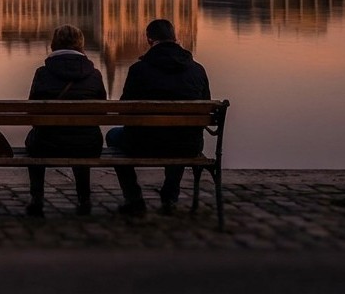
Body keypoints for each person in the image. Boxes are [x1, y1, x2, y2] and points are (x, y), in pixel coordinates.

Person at [108, 18, 212, 216]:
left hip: (144, 142)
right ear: (176, 38)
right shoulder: (197, 70)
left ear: (149, 40)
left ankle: (134, 198)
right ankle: (170, 196)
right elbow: (204, 110)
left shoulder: (138, 70)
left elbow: (125, 110)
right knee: (182, 134)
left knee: (113, 136)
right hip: (187, 145)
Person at [24, 24, 107, 217]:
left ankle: (37, 198)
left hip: (47, 143)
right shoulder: (94, 74)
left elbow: (32, 111)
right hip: (88, 144)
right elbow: (102, 112)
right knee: (82, 135)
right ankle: (84, 198)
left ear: (53, 44)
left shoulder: (43, 73)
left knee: (34, 140)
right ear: (81, 45)